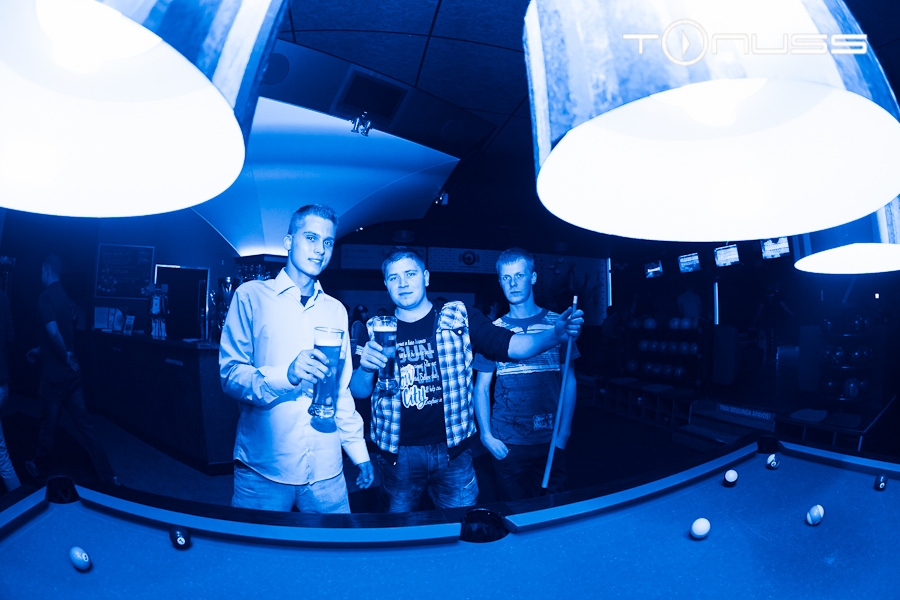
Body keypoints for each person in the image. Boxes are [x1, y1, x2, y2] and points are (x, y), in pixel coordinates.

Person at [350, 247, 582, 512]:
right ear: (386, 284)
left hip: (454, 453)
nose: (403, 284)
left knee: (461, 525)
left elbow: (510, 345)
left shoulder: (458, 316)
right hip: (399, 454)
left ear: (426, 277)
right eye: (394, 277)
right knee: (400, 528)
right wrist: (366, 368)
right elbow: (358, 391)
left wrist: (554, 335)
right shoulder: (375, 328)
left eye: (410, 274)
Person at [219, 205, 373, 513]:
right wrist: (287, 375)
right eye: (311, 238)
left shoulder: (336, 310)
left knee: (334, 544)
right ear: (289, 242)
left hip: (326, 469)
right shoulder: (250, 296)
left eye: (327, 242)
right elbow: (230, 376)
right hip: (264, 468)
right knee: (255, 545)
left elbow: (340, 391)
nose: (320, 249)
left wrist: (358, 451)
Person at [472, 248, 579, 501]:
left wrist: (564, 433)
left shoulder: (558, 325)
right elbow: (480, 388)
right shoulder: (494, 331)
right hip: (507, 442)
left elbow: (569, 380)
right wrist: (486, 436)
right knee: (515, 513)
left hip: (550, 440)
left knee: (552, 510)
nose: (513, 283)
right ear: (500, 282)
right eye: (506, 278)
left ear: (533, 277)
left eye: (519, 276)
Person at [25, 255, 118, 485]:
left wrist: (64, 355)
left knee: (48, 425)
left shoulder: (45, 298)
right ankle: (109, 476)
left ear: (47, 270)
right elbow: (66, 333)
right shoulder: (67, 299)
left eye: (41, 271)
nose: (40, 275)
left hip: (55, 378)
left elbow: (54, 332)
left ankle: (37, 466)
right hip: (72, 377)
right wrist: (41, 350)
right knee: (86, 428)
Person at [0, 290, 20, 492]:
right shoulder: (3, 298)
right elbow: (11, 337)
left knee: (2, 456)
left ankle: (20, 502)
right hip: (2, 385)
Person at [348, 305, 369, 369]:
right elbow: (355, 339)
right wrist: (353, 353)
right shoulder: (358, 323)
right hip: (358, 351)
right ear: (361, 313)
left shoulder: (359, 323)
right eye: (365, 313)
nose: (367, 314)